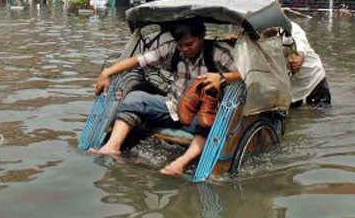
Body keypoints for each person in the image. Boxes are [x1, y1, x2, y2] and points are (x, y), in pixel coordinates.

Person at [88, 18, 242, 176]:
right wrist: (106, 73)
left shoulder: (218, 53)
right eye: (181, 45)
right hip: (173, 107)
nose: (185, 49)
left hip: (202, 114)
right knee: (135, 99)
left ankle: (180, 164)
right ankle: (112, 146)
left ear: (202, 36)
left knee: (211, 123)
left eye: (190, 44)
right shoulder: (173, 50)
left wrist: (221, 78)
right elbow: (138, 61)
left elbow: (244, 74)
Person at [285, 20, 331, 107]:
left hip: (313, 78)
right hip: (291, 86)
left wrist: (299, 56)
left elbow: (300, 44)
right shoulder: (257, 36)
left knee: (321, 114)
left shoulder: (292, 28)